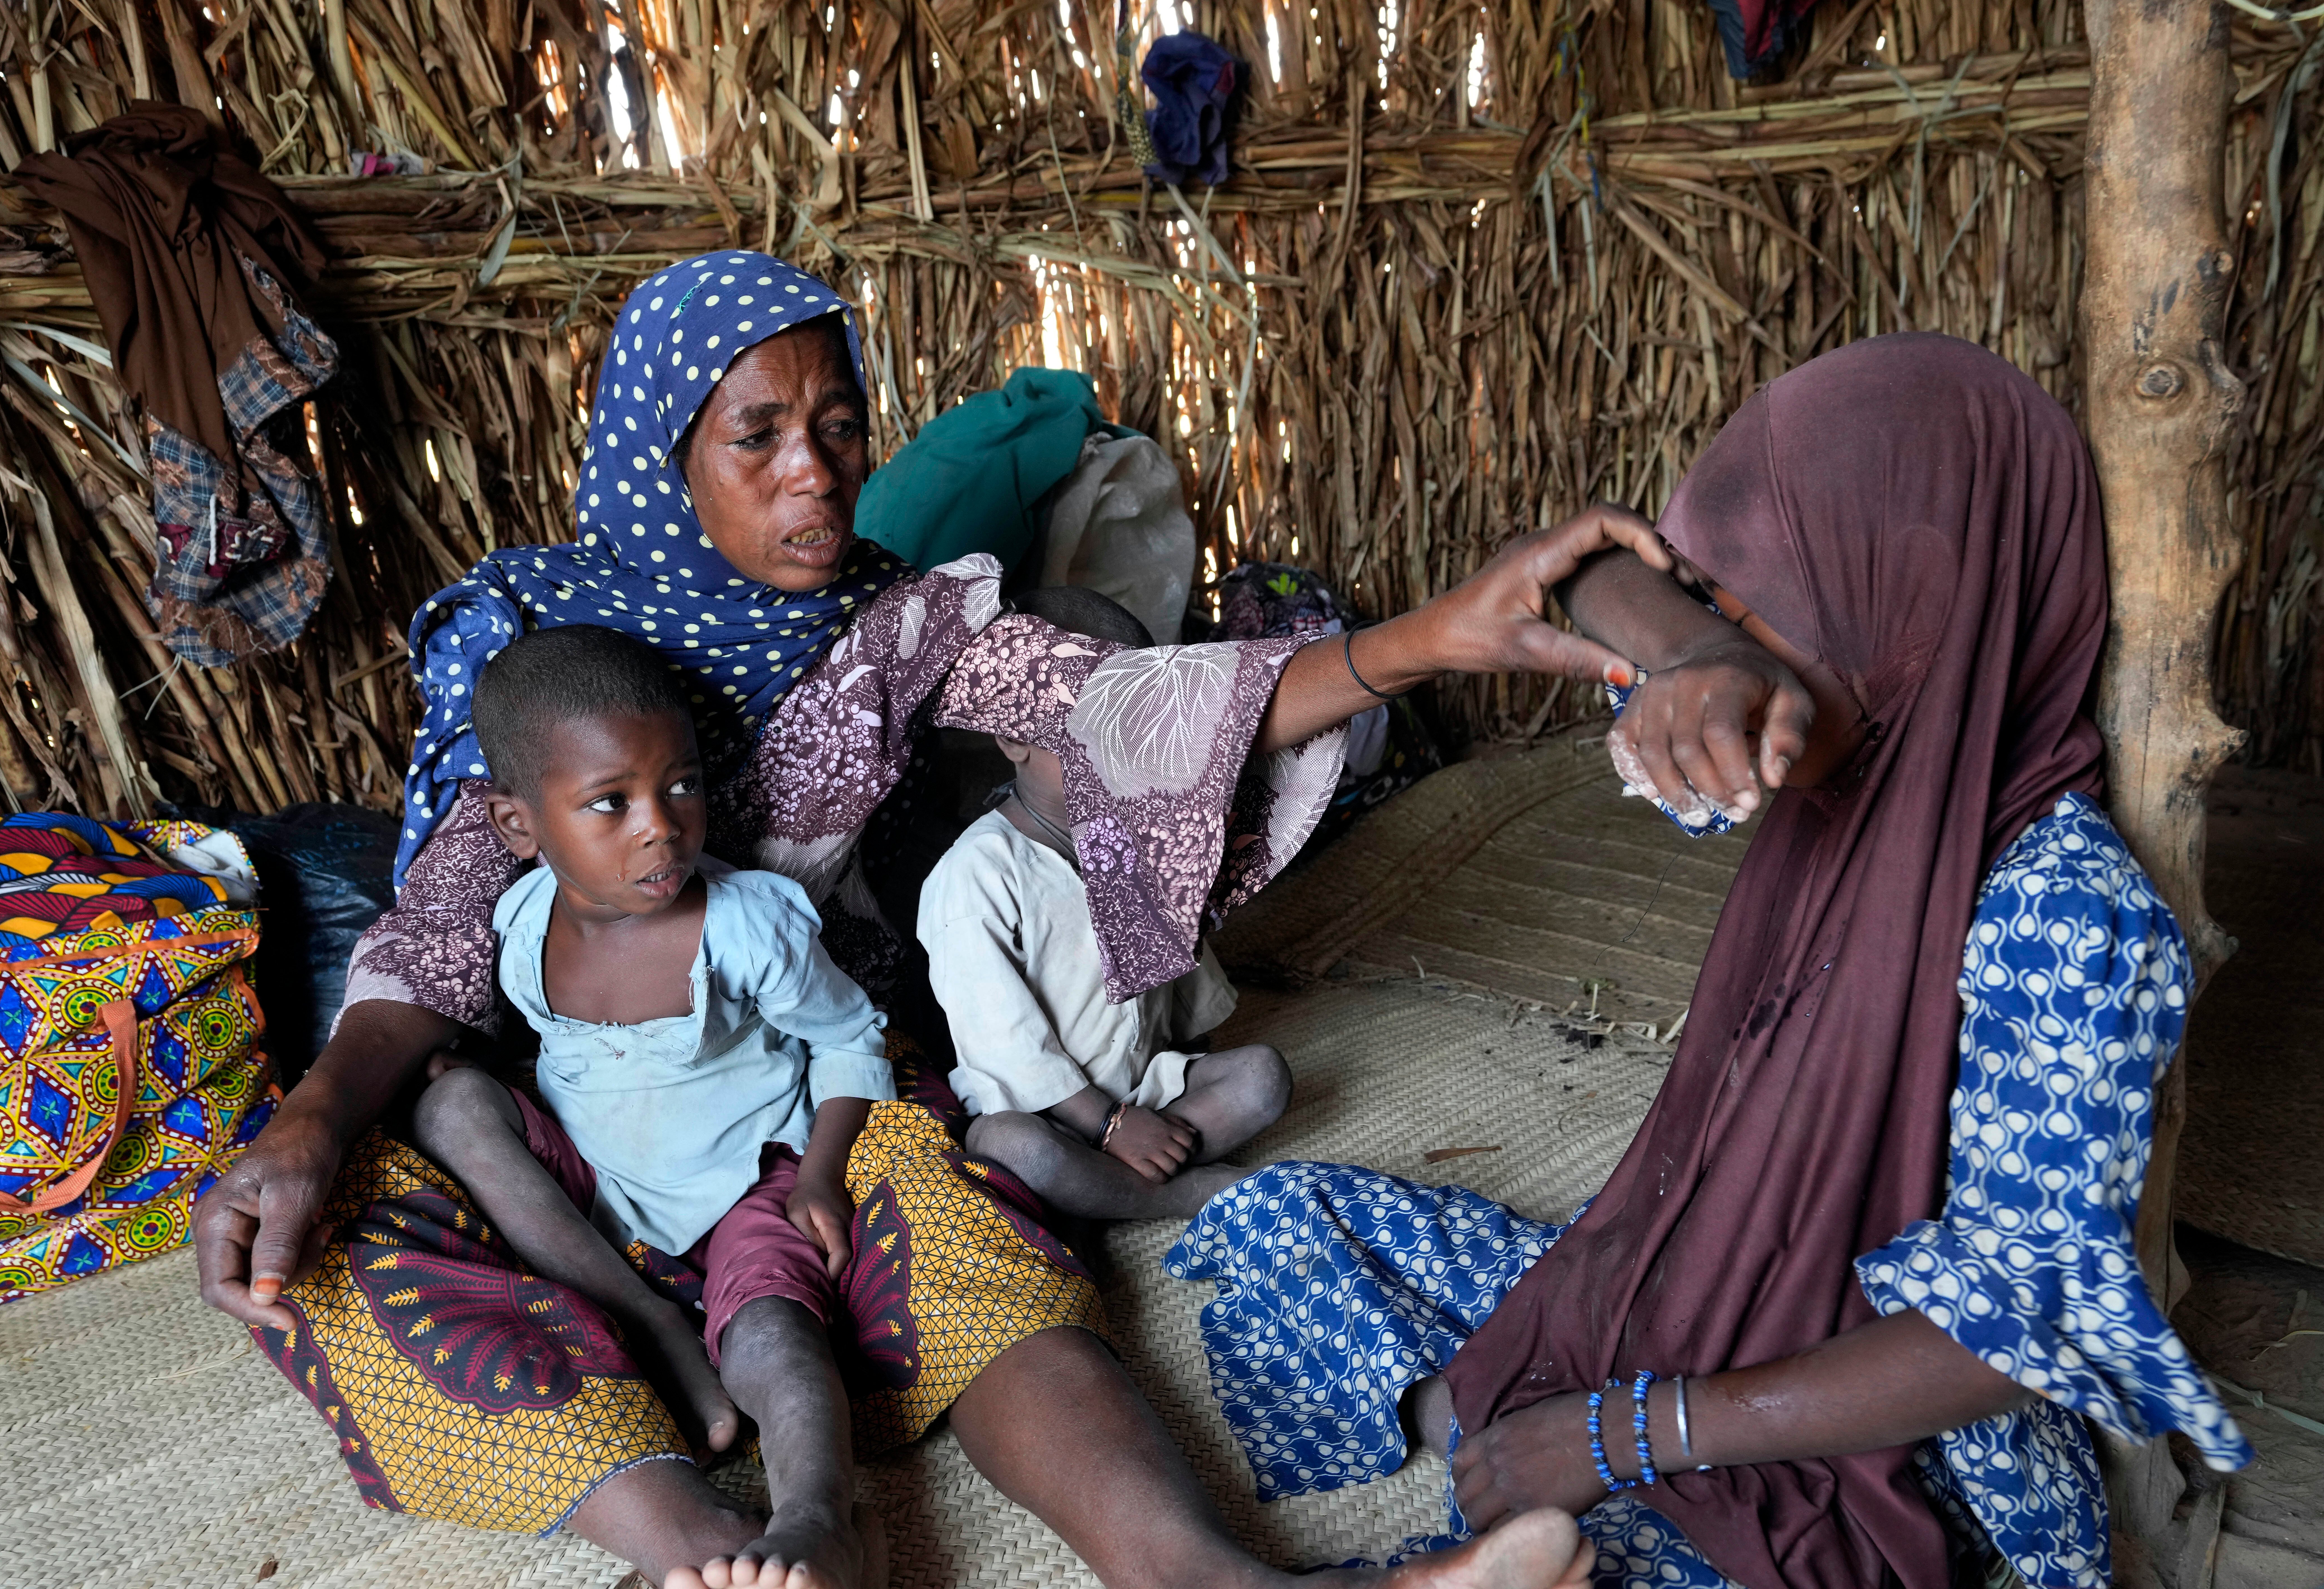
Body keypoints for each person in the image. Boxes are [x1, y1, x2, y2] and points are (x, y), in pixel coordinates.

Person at [192, 247, 1679, 1589]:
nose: (817, 476)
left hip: (805, 1107)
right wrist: (316, 1119)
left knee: (954, 1206)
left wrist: (1424, 640)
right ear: (665, 455)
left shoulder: (899, 627)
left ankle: (1208, 1585)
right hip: (574, 1130)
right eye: (757, 436)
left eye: (839, 427)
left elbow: (1123, 711)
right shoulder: (541, 650)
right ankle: (710, 1554)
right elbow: (444, 931)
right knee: (334, 1246)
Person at [1166, 334, 2248, 1589]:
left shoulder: (2068, 916)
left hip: (1878, 1438)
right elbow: (1597, 576)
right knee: (1281, 1220)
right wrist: (1702, 655)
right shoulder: (1812, 752)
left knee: (1607, 1556)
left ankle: (1522, 1493)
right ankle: (1482, 1439)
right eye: (1715, 624)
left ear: (1906, 617)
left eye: (1759, 623)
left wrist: (1626, 1432)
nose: (1717, 688)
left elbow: (2005, 1336)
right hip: (1699, 1273)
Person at [410, 624, 892, 1587]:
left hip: (742, 1186)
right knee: (455, 1107)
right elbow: (558, 1059)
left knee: (773, 1333)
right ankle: (654, 1322)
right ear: (519, 828)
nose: (660, 826)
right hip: (604, 1198)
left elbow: (851, 1038)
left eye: (681, 785)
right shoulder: (519, 920)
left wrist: (824, 1178)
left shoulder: (748, 925)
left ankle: (818, 1519)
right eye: (609, 803)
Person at [921, 587, 1292, 1220]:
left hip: (1148, 1092)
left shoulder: (1134, 842)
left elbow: (1182, 970)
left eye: (1138, 734)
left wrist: (1169, 1094)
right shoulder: (976, 874)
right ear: (1014, 739)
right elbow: (1007, 1045)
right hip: (1043, 1113)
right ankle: (1176, 1197)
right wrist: (1110, 1126)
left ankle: (1109, 1194)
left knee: (1263, 1078)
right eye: (1092, 736)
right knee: (1016, 1149)